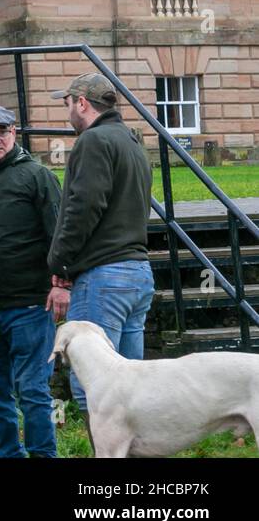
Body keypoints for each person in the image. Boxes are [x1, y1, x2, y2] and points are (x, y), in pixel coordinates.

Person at [45, 72, 153, 429]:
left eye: (67, 102)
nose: (67, 111)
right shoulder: (131, 140)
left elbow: (82, 208)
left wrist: (59, 260)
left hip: (103, 276)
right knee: (131, 388)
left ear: (82, 102)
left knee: (94, 390)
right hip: (137, 274)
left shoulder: (93, 141)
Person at [0, 104, 61, 458]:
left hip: (30, 306)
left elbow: (58, 234)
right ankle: (6, 454)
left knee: (33, 392)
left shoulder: (36, 176)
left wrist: (60, 282)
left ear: (14, 134)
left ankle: (43, 454)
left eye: (3, 132)